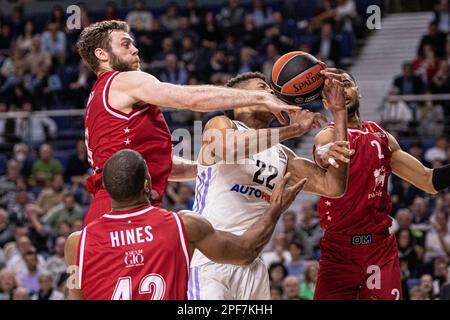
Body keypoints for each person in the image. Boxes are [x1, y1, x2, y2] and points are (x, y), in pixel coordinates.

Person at [76, 20, 296, 225]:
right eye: (125, 45)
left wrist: (212, 167)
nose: (135, 49)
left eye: (133, 44)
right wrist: (261, 97)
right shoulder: (123, 80)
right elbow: (190, 99)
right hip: (124, 209)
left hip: (109, 208)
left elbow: (166, 168)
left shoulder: (99, 95)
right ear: (101, 54)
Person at [188, 70, 351, 300]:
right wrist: (295, 129)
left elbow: (333, 187)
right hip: (210, 263)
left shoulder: (283, 154)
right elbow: (229, 149)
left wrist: (339, 113)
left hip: (253, 267)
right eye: (262, 88)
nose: (271, 93)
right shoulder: (221, 124)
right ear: (239, 101)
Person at [64, 149, 305, 300]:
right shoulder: (182, 225)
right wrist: (275, 209)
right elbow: (245, 252)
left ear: (106, 189)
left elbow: (75, 296)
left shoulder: (77, 243)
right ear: (147, 185)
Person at [312, 69, 450, 300]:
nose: (341, 91)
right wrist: (323, 155)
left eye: (345, 84)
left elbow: (428, 181)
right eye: (333, 90)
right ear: (327, 102)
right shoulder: (326, 137)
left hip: (378, 247)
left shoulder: (381, 136)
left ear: (358, 91)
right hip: (338, 250)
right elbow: (323, 153)